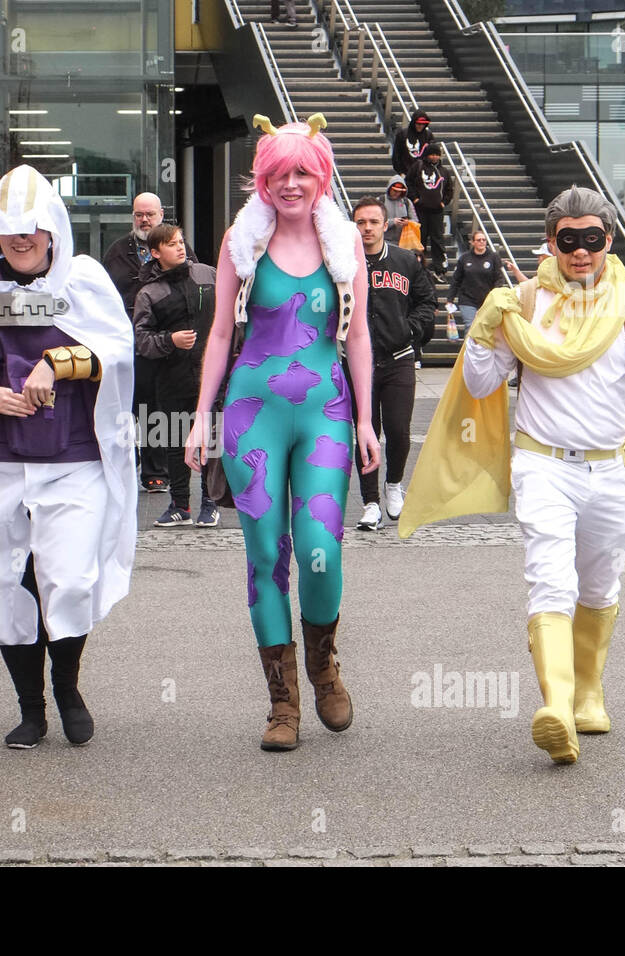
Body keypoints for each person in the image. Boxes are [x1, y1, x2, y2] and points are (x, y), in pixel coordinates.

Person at [400, 185, 625, 765]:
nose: (581, 252)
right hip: (543, 464)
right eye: (568, 240)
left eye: (592, 240)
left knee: (600, 585)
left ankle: (589, 691)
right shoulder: (522, 302)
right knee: (551, 580)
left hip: (614, 466)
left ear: (609, 240)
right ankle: (557, 705)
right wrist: (481, 333)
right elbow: (480, 385)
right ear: (551, 242)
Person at [185, 114, 381, 752]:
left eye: (302, 172)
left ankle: (323, 665)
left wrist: (366, 420)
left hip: (324, 410)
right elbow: (219, 333)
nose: (290, 184)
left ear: (322, 176)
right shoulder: (240, 245)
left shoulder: (344, 243)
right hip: (251, 415)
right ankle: (283, 702)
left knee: (320, 547)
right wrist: (200, 415)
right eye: (278, 174)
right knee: (266, 555)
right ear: (262, 181)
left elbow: (358, 337)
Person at [0, 165, 136, 750]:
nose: (21, 240)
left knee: (66, 577)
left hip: (72, 454)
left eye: (32, 229)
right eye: (8, 230)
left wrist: (58, 360)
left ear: (52, 231)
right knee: (6, 581)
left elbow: (116, 356)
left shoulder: (86, 280)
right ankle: (30, 708)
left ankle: (68, 689)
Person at [349, 196, 435, 530]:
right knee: (365, 432)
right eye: (360, 222)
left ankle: (394, 484)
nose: (367, 228)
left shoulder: (405, 261)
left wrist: (410, 330)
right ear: (353, 227)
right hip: (359, 364)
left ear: (386, 225)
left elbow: (427, 301)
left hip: (398, 358)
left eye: (373, 222)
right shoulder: (344, 264)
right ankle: (370, 501)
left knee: (399, 430)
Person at [102, 192, 194, 493]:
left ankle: (158, 470)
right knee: (131, 402)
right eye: (139, 214)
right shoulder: (117, 251)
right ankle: (131, 459)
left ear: (161, 214)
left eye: (150, 214)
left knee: (160, 405)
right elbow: (105, 295)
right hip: (127, 338)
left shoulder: (178, 248)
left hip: (166, 339)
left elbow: (192, 287)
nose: (144, 220)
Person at [133, 223, 220, 528]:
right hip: (171, 376)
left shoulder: (208, 275)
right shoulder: (148, 293)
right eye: (171, 244)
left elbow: (229, 319)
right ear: (155, 253)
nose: (180, 248)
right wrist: (170, 341)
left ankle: (210, 502)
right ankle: (179, 505)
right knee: (173, 439)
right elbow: (140, 339)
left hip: (210, 374)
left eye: (181, 242)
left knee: (211, 439)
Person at [406, 142, 454, 280]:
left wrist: (443, 203)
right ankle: (419, 268)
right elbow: (408, 182)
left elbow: (449, 190)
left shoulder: (444, 171)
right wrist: (415, 199)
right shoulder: (418, 166)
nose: (434, 157)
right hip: (420, 210)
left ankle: (439, 269)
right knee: (420, 238)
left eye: (436, 155)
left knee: (437, 240)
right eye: (432, 154)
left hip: (437, 212)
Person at [446, 229, 504, 339]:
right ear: (472, 242)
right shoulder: (464, 258)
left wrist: (495, 293)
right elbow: (456, 279)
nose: (481, 242)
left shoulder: (493, 257)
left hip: (487, 299)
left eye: (483, 240)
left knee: (486, 327)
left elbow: (499, 278)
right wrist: (450, 298)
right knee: (470, 326)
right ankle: (468, 353)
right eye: (478, 240)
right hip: (467, 299)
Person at [392, 110, 433, 178]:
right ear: (414, 122)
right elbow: (396, 155)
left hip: (422, 175)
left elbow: (432, 155)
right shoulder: (402, 135)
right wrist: (400, 172)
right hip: (406, 173)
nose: (421, 126)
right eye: (418, 124)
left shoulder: (428, 135)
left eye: (423, 124)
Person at [381, 174, 418, 245]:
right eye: (394, 190)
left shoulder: (407, 202)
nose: (397, 193)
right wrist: (392, 222)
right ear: (389, 188)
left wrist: (408, 222)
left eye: (399, 191)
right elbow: (375, 222)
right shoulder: (381, 201)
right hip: (384, 241)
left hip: (404, 242)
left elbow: (416, 221)